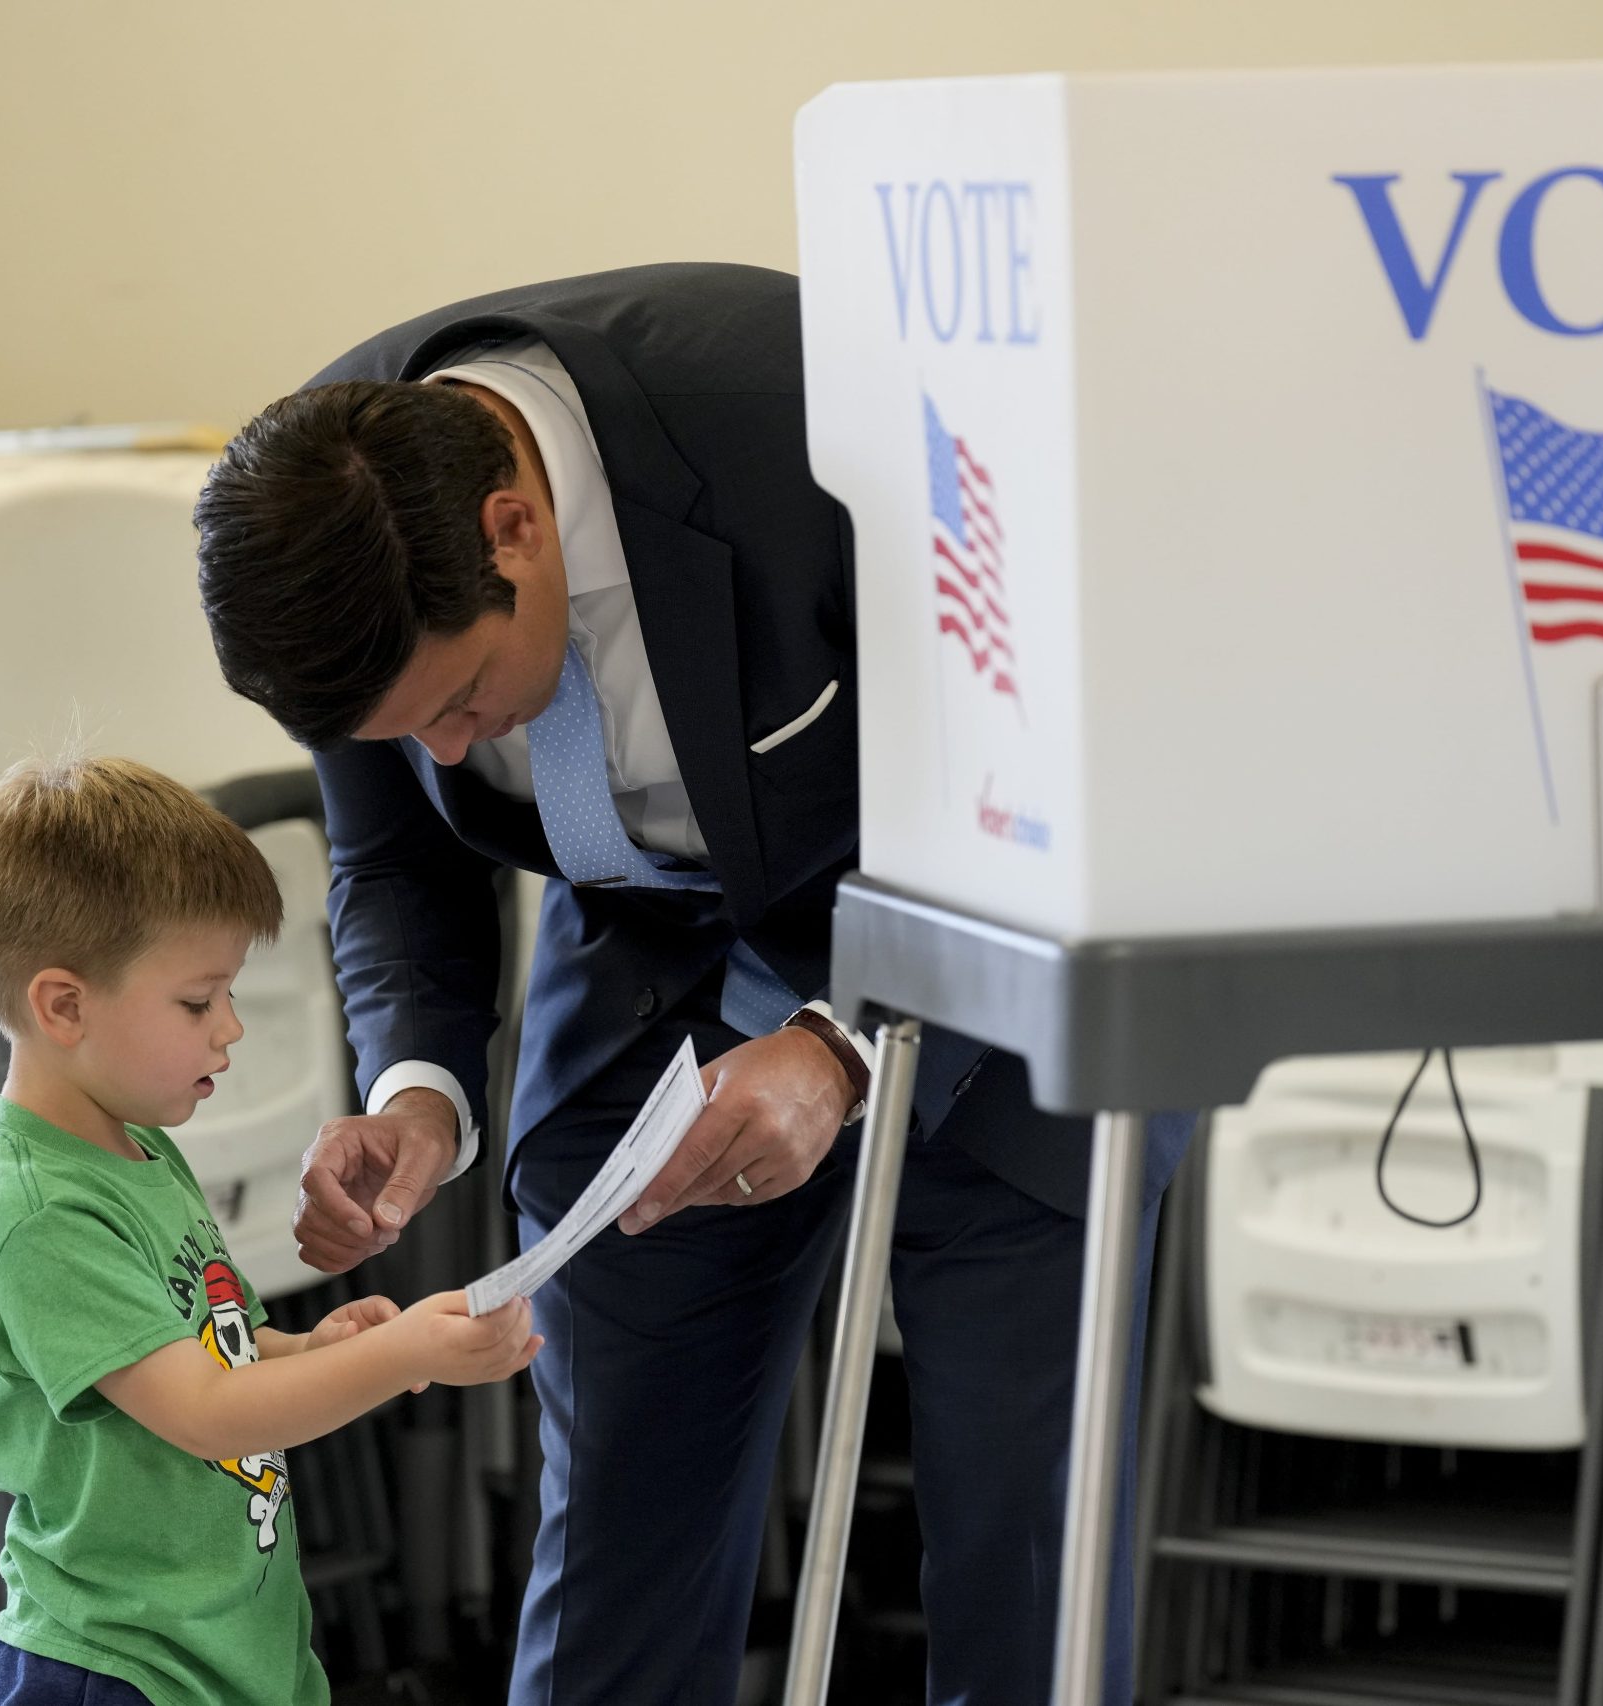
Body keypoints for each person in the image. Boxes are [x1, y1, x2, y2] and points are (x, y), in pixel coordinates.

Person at [194, 263, 1190, 1706]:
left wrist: (839, 1044)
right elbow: (397, 862)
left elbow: (1052, 769)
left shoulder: (827, 423)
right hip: (646, 972)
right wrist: (416, 1090)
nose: (460, 746)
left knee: (1022, 1551)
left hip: (993, 938)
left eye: (465, 697)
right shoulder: (321, 528)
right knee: (614, 1542)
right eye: (422, 730)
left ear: (515, 527)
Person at [0, 753, 543, 1706]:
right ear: (64, 1004)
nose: (230, 1029)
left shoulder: (138, 1149)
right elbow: (206, 1412)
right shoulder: (37, 1211)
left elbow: (212, 1347)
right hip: (116, 1668)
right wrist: (402, 1356)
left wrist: (305, 1344)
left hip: (224, 1651)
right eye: (197, 1000)